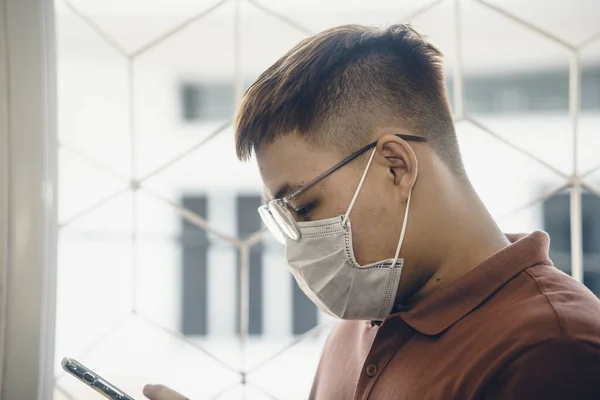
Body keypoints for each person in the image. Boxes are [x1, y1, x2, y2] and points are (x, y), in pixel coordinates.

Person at [144, 24, 600, 400]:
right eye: (284, 218)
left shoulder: (554, 350)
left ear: (396, 166)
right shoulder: (356, 329)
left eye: (304, 206)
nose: (295, 249)